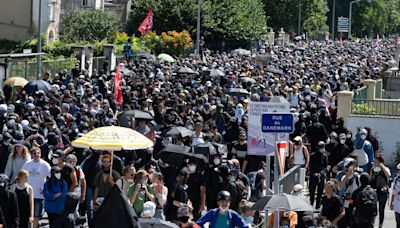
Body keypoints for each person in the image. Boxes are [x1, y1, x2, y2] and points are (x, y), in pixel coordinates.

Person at [22, 147, 51, 228]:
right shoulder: (27, 164)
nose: (37, 155)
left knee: (37, 214)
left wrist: (47, 188)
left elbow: (52, 177)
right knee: (28, 213)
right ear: (32, 154)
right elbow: (22, 175)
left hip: (39, 193)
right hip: (28, 193)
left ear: (40, 154)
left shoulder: (45, 165)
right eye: (35, 153)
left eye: (38, 153)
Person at [370, 154, 391, 228]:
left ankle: (380, 225)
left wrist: (382, 166)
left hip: (383, 191)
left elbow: (388, 174)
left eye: (376, 161)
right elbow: (370, 179)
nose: (375, 163)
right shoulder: (373, 169)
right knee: (373, 208)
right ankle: (372, 223)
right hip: (374, 191)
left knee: (381, 209)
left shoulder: (386, 168)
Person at [308, 141, 328, 209]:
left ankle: (318, 205)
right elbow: (310, 165)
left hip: (321, 176)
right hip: (313, 175)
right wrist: (314, 173)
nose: (322, 149)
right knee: (312, 190)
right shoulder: (312, 155)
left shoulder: (325, 156)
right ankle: (311, 203)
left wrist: (321, 173)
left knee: (320, 191)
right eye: (321, 147)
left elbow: (325, 167)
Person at [390, 163, 400, 227]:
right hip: (397, 202)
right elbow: (393, 191)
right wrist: (391, 202)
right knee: (398, 222)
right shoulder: (396, 179)